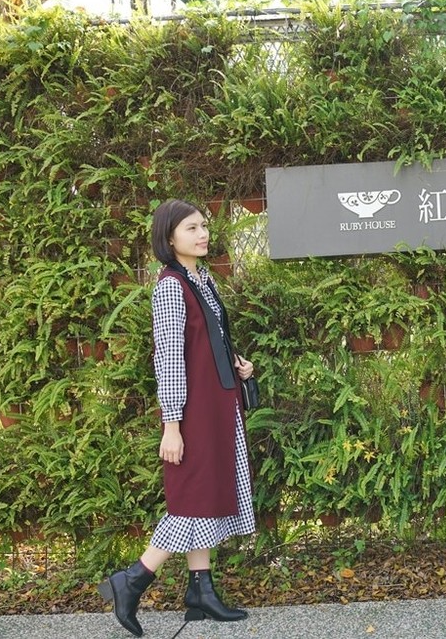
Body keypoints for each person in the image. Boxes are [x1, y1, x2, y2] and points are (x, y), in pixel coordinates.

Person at [98, 198, 256, 637]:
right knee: (191, 500)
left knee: (203, 496)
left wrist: (236, 362)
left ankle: (200, 590)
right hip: (193, 412)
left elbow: (207, 340)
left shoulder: (201, 278)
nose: (202, 234)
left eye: (204, 226)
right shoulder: (170, 287)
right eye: (191, 228)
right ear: (169, 238)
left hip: (217, 402)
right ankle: (133, 579)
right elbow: (168, 360)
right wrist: (172, 425)